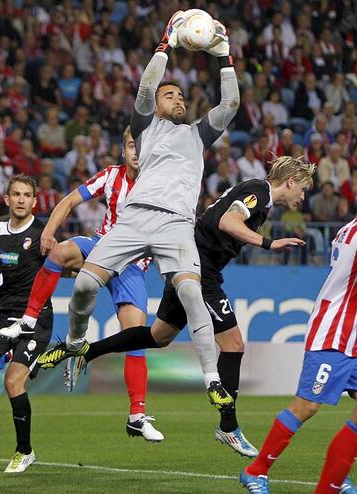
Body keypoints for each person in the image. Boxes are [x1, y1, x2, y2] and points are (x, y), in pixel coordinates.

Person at [37, 12, 240, 413]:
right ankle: (76, 343)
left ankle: (212, 380)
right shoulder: (144, 127)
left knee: (191, 294)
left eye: (181, 96)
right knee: (83, 288)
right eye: (171, 96)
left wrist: (224, 56)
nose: (178, 99)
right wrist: (165, 45)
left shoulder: (198, 134)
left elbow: (230, 103)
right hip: (134, 220)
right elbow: (148, 85)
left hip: (177, 225)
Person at [60, 155, 314, 459]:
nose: (303, 195)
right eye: (303, 187)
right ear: (290, 181)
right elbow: (227, 221)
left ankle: (88, 352)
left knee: (159, 336)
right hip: (200, 268)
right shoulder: (259, 192)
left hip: (190, 262)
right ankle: (228, 427)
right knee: (232, 345)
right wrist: (267, 243)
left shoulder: (260, 195)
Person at [0, 127, 163, 442]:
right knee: (59, 252)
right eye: (131, 145)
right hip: (101, 246)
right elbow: (70, 199)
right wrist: (49, 231)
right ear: (123, 150)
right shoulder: (110, 176)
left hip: (132, 265)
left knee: (136, 336)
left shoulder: (159, 184)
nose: (137, 152)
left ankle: (137, 416)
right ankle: (30, 319)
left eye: (143, 146)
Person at [239, 217, 357, 493]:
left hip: (353, 335)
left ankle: (336, 476)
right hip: (335, 333)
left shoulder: (349, 228)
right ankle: (256, 471)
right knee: (307, 406)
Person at [0, 175, 54, 473]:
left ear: (34, 201)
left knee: (12, 382)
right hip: (0, 316)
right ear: (7, 199)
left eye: (26, 195)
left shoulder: (44, 236)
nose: (21, 199)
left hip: (35, 320)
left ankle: (24, 451)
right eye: (16, 194)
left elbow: (63, 265)